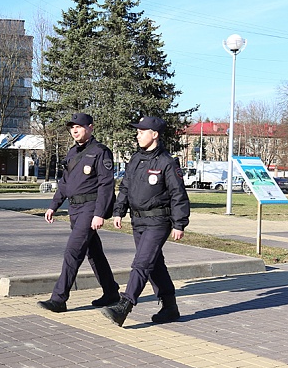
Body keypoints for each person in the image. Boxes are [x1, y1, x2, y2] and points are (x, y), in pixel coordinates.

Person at [101, 116, 190, 326]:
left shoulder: (167, 162)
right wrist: (118, 211)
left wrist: (179, 223)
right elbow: (125, 187)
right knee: (154, 264)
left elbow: (178, 194)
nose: (137, 135)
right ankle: (170, 307)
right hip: (138, 221)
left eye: (142, 131)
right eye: (138, 132)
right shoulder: (135, 160)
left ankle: (125, 305)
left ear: (155, 134)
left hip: (159, 220)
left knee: (141, 263)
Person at [36, 112, 120, 313]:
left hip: (90, 209)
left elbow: (106, 185)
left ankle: (59, 298)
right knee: (94, 253)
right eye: (72, 127)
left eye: (79, 126)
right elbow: (65, 183)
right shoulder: (72, 153)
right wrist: (53, 206)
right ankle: (111, 293)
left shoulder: (101, 152)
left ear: (90, 127)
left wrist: (99, 213)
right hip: (74, 209)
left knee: (72, 252)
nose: (74, 130)